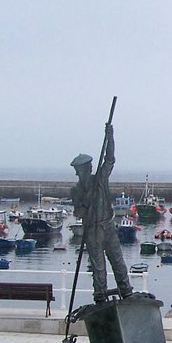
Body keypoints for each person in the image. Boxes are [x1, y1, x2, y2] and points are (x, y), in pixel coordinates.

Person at [69, 123, 132, 303]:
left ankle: (126, 291)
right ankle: (100, 296)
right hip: (92, 231)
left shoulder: (100, 180)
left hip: (108, 227)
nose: (83, 171)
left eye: (86, 168)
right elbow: (78, 213)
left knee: (118, 263)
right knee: (99, 268)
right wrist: (85, 204)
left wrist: (110, 136)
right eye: (80, 169)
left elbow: (110, 160)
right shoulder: (76, 191)